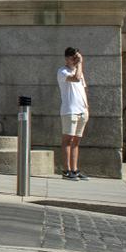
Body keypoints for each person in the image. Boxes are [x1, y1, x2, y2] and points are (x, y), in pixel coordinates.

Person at [56, 48, 87, 180]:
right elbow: (76, 78)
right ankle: (66, 170)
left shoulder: (79, 71)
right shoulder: (62, 71)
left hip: (82, 110)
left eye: (76, 57)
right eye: (73, 57)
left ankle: (74, 170)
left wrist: (86, 107)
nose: (75, 60)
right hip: (70, 111)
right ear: (67, 58)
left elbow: (83, 89)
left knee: (76, 141)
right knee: (67, 140)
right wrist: (80, 63)